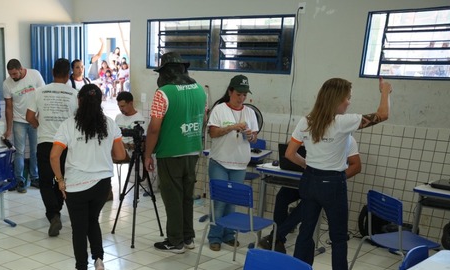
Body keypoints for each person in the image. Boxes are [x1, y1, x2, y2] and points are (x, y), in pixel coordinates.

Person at [286, 76, 392, 270]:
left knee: (305, 231)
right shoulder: (343, 122)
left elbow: (289, 154)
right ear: (337, 100)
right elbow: (382, 115)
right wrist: (385, 92)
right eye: (348, 98)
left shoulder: (306, 121)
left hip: (309, 181)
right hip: (333, 184)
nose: (349, 103)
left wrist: (309, 166)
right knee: (338, 238)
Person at [50, 84, 126, 270]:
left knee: (79, 228)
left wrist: (60, 181)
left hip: (76, 185)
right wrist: (100, 156)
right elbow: (120, 155)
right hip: (102, 184)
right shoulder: (110, 124)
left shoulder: (68, 125)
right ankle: (99, 260)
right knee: (92, 220)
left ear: (79, 101)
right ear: (100, 101)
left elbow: (54, 156)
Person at [144, 53, 207, 254]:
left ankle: (175, 241)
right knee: (187, 196)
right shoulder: (200, 90)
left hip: (170, 153)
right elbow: (203, 120)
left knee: (172, 197)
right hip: (193, 149)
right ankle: (188, 238)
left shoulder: (163, 93)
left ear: (166, 72)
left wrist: (147, 154)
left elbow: (154, 128)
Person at [260, 136, 362, 257]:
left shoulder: (347, 139)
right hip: (306, 178)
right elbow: (289, 149)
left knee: (305, 206)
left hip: (324, 185)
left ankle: (276, 236)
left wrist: (334, 180)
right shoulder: (314, 131)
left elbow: (356, 166)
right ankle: (278, 240)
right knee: (282, 197)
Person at [205, 75, 260, 251]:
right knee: (219, 201)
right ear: (230, 91)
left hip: (239, 164)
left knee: (232, 202)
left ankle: (229, 235)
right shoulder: (219, 110)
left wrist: (250, 135)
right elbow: (212, 133)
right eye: (238, 94)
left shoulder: (250, 113)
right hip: (219, 162)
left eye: (244, 95)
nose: (241, 98)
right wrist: (231, 127)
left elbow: (253, 140)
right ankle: (214, 236)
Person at [26, 58, 78, 237]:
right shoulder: (74, 94)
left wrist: (37, 125)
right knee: (62, 179)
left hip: (45, 143)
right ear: (68, 75)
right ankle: (57, 210)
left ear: (52, 71)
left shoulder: (40, 92)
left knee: (46, 181)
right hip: (66, 145)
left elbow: (29, 116)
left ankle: (53, 213)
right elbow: (78, 120)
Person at [2, 59, 45, 192]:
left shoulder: (35, 75)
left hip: (34, 119)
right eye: (10, 74)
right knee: (19, 151)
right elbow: (8, 108)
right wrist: (8, 129)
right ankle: (19, 179)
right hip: (18, 120)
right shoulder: (7, 84)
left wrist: (40, 117)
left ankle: (35, 177)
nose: (12, 77)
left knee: (35, 150)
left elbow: (43, 96)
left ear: (21, 69)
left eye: (15, 74)